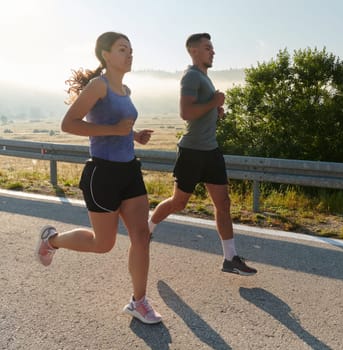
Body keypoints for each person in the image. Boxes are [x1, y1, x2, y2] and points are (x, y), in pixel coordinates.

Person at [35, 31, 162, 324]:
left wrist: (133, 134)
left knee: (141, 237)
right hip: (102, 174)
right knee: (103, 244)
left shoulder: (126, 91)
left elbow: (117, 126)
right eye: (122, 49)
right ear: (105, 54)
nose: (129, 54)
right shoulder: (98, 86)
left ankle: (138, 302)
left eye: (131, 49)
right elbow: (69, 124)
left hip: (130, 171)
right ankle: (52, 240)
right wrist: (117, 131)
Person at [148, 33, 257, 276]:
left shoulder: (204, 78)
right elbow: (185, 112)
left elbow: (199, 110)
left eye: (212, 48)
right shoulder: (191, 76)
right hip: (192, 151)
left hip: (211, 150)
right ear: (194, 51)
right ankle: (148, 227)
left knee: (223, 203)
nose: (213, 52)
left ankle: (231, 258)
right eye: (208, 48)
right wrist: (213, 102)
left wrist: (214, 109)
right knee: (179, 202)